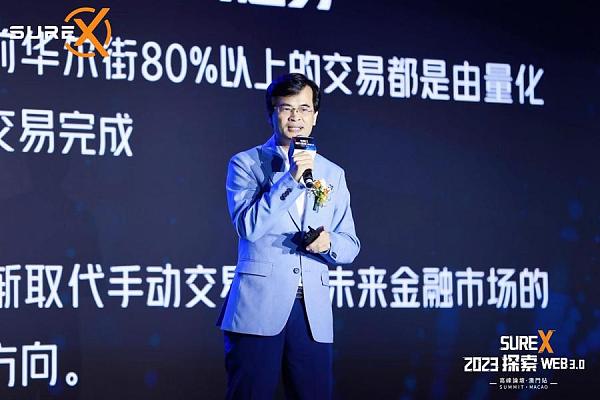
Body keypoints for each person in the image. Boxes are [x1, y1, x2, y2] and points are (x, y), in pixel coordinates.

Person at [217, 73, 360, 399]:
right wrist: (292, 178)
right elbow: (248, 226)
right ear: (272, 113)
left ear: (315, 116)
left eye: (304, 109)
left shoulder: (332, 173)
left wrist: (329, 243)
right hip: (258, 307)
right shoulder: (246, 164)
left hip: (312, 313)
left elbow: (350, 244)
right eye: (286, 108)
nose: (296, 117)